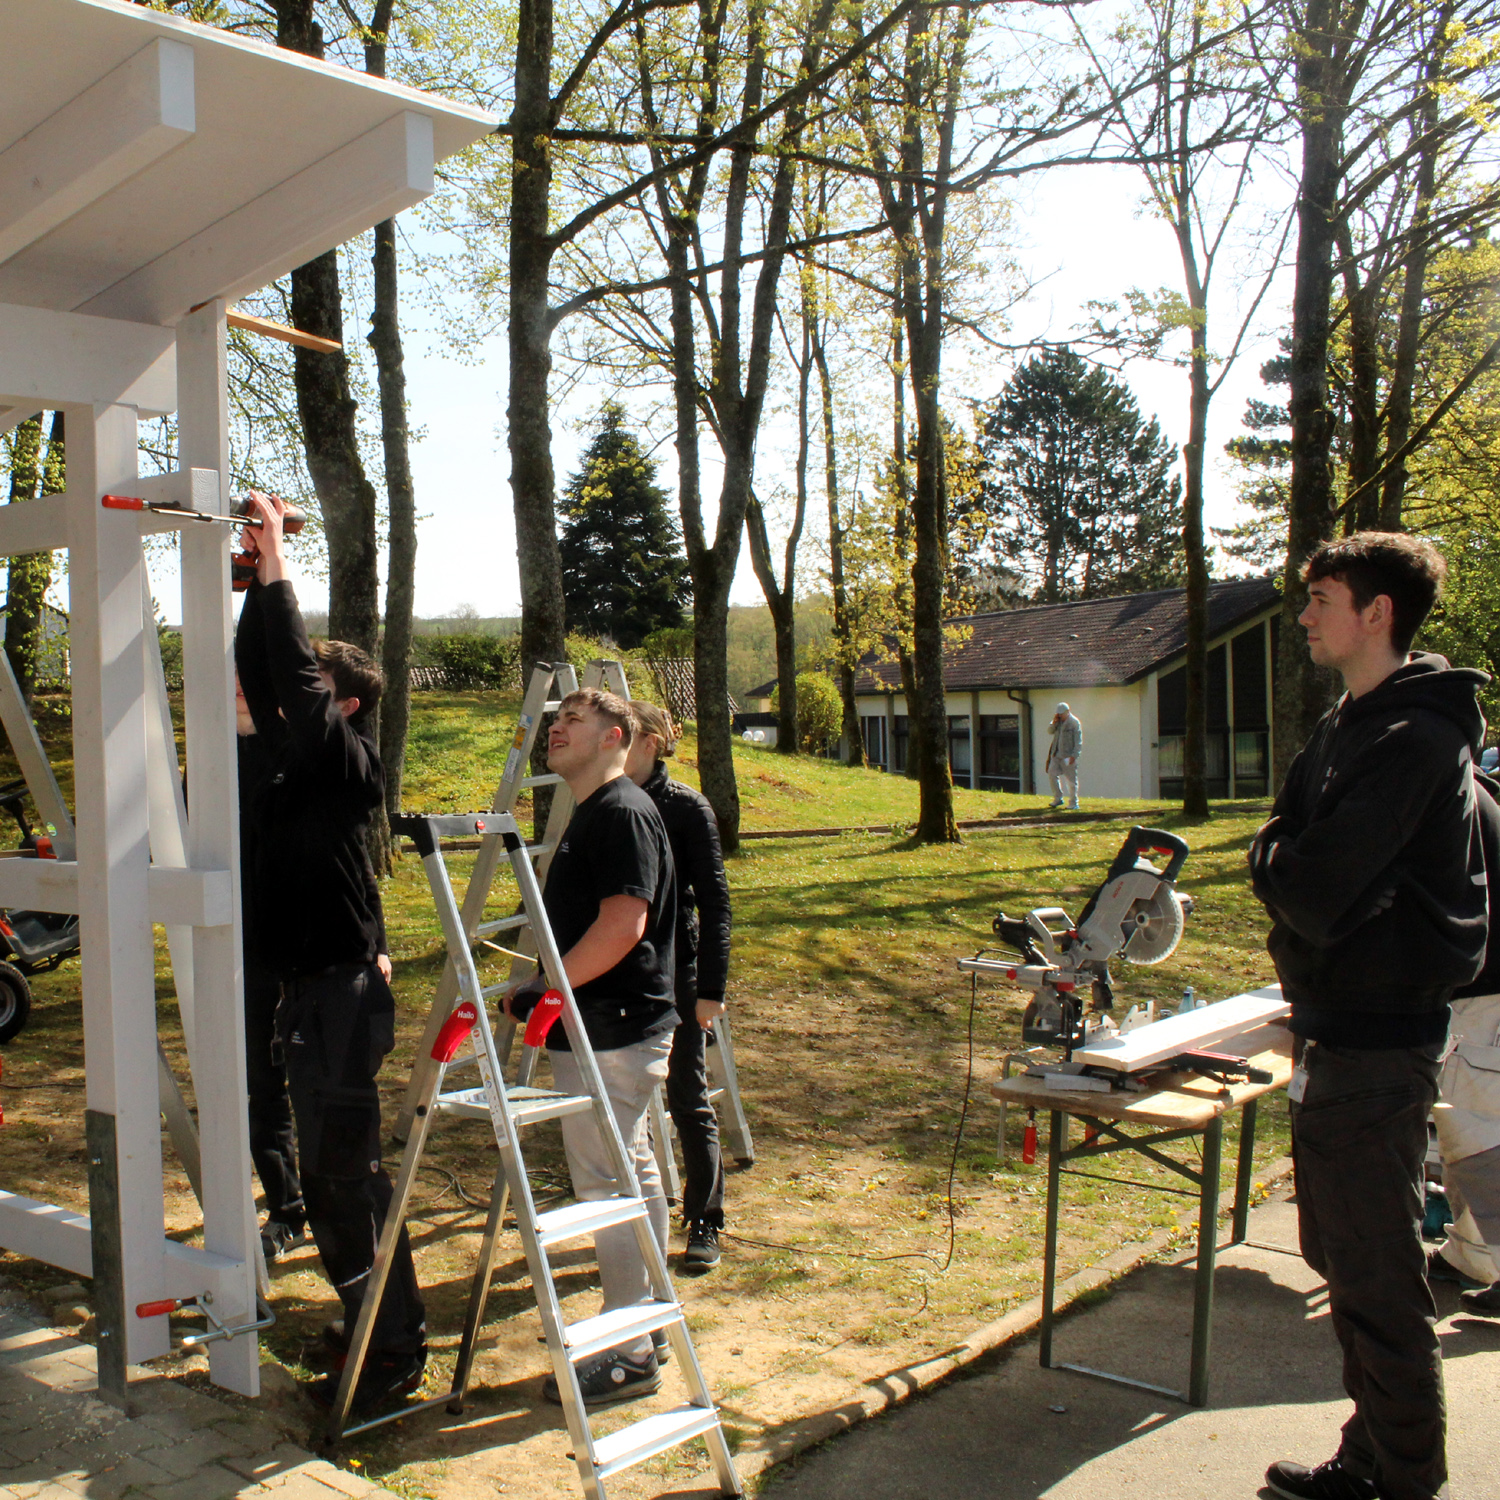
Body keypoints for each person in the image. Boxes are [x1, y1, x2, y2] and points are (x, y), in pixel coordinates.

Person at [1248, 531, 1487, 1500]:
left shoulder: (1415, 739)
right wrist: (1287, 866)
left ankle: (1407, 1483)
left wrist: (1290, 872)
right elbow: (1284, 849)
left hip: (1380, 1051)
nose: (1305, 615)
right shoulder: (1349, 725)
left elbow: (1309, 887)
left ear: (1376, 612)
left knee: (1379, 1280)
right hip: (1332, 1037)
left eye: (1321, 598)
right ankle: (1372, 1457)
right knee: (1339, 1260)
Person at [235, 492, 425, 1414]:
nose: (285, 692)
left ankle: (393, 1358)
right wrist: (247, 572)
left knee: (346, 1177)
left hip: (344, 999)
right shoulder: (288, 757)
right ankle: (370, 1329)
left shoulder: (347, 761)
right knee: (330, 1175)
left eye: (311, 685)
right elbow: (257, 667)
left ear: (343, 703)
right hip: (312, 995)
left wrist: (278, 565)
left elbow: (296, 687)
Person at [504, 688, 679, 1408]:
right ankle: (650, 1320)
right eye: (556, 719)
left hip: (611, 1029)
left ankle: (629, 1352)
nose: (557, 729)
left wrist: (549, 988)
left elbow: (623, 925)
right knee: (630, 1172)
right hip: (609, 1027)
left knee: (607, 1185)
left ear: (614, 738)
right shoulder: (596, 813)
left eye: (574, 720)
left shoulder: (621, 814)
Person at [622, 701, 732, 1274]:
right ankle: (636, 1214)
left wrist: (710, 989)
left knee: (687, 1096)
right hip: (628, 974)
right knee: (628, 1101)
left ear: (650, 743)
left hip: (680, 971)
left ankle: (706, 1219)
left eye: (628, 736)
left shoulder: (686, 807)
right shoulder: (609, 801)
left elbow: (715, 902)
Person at [1427, 761, 1500, 1313]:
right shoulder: (1475, 792)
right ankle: (1469, 1254)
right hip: (1482, 989)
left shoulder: (1452, 803)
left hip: (1485, 993)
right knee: (1466, 1134)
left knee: (1478, 1138)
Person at [1045, 702, 1081, 809]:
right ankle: (1058, 798)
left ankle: (1074, 802)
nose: (1060, 715)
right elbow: (1049, 731)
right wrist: (1053, 723)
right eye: (1058, 714)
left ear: (1067, 712)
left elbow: (1078, 741)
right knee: (1052, 774)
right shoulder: (1057, 722)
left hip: (1068, 755)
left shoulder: (1074, 722)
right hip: (1056, 754)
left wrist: (1074, 756)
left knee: (1070, 780)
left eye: (1062, 713)